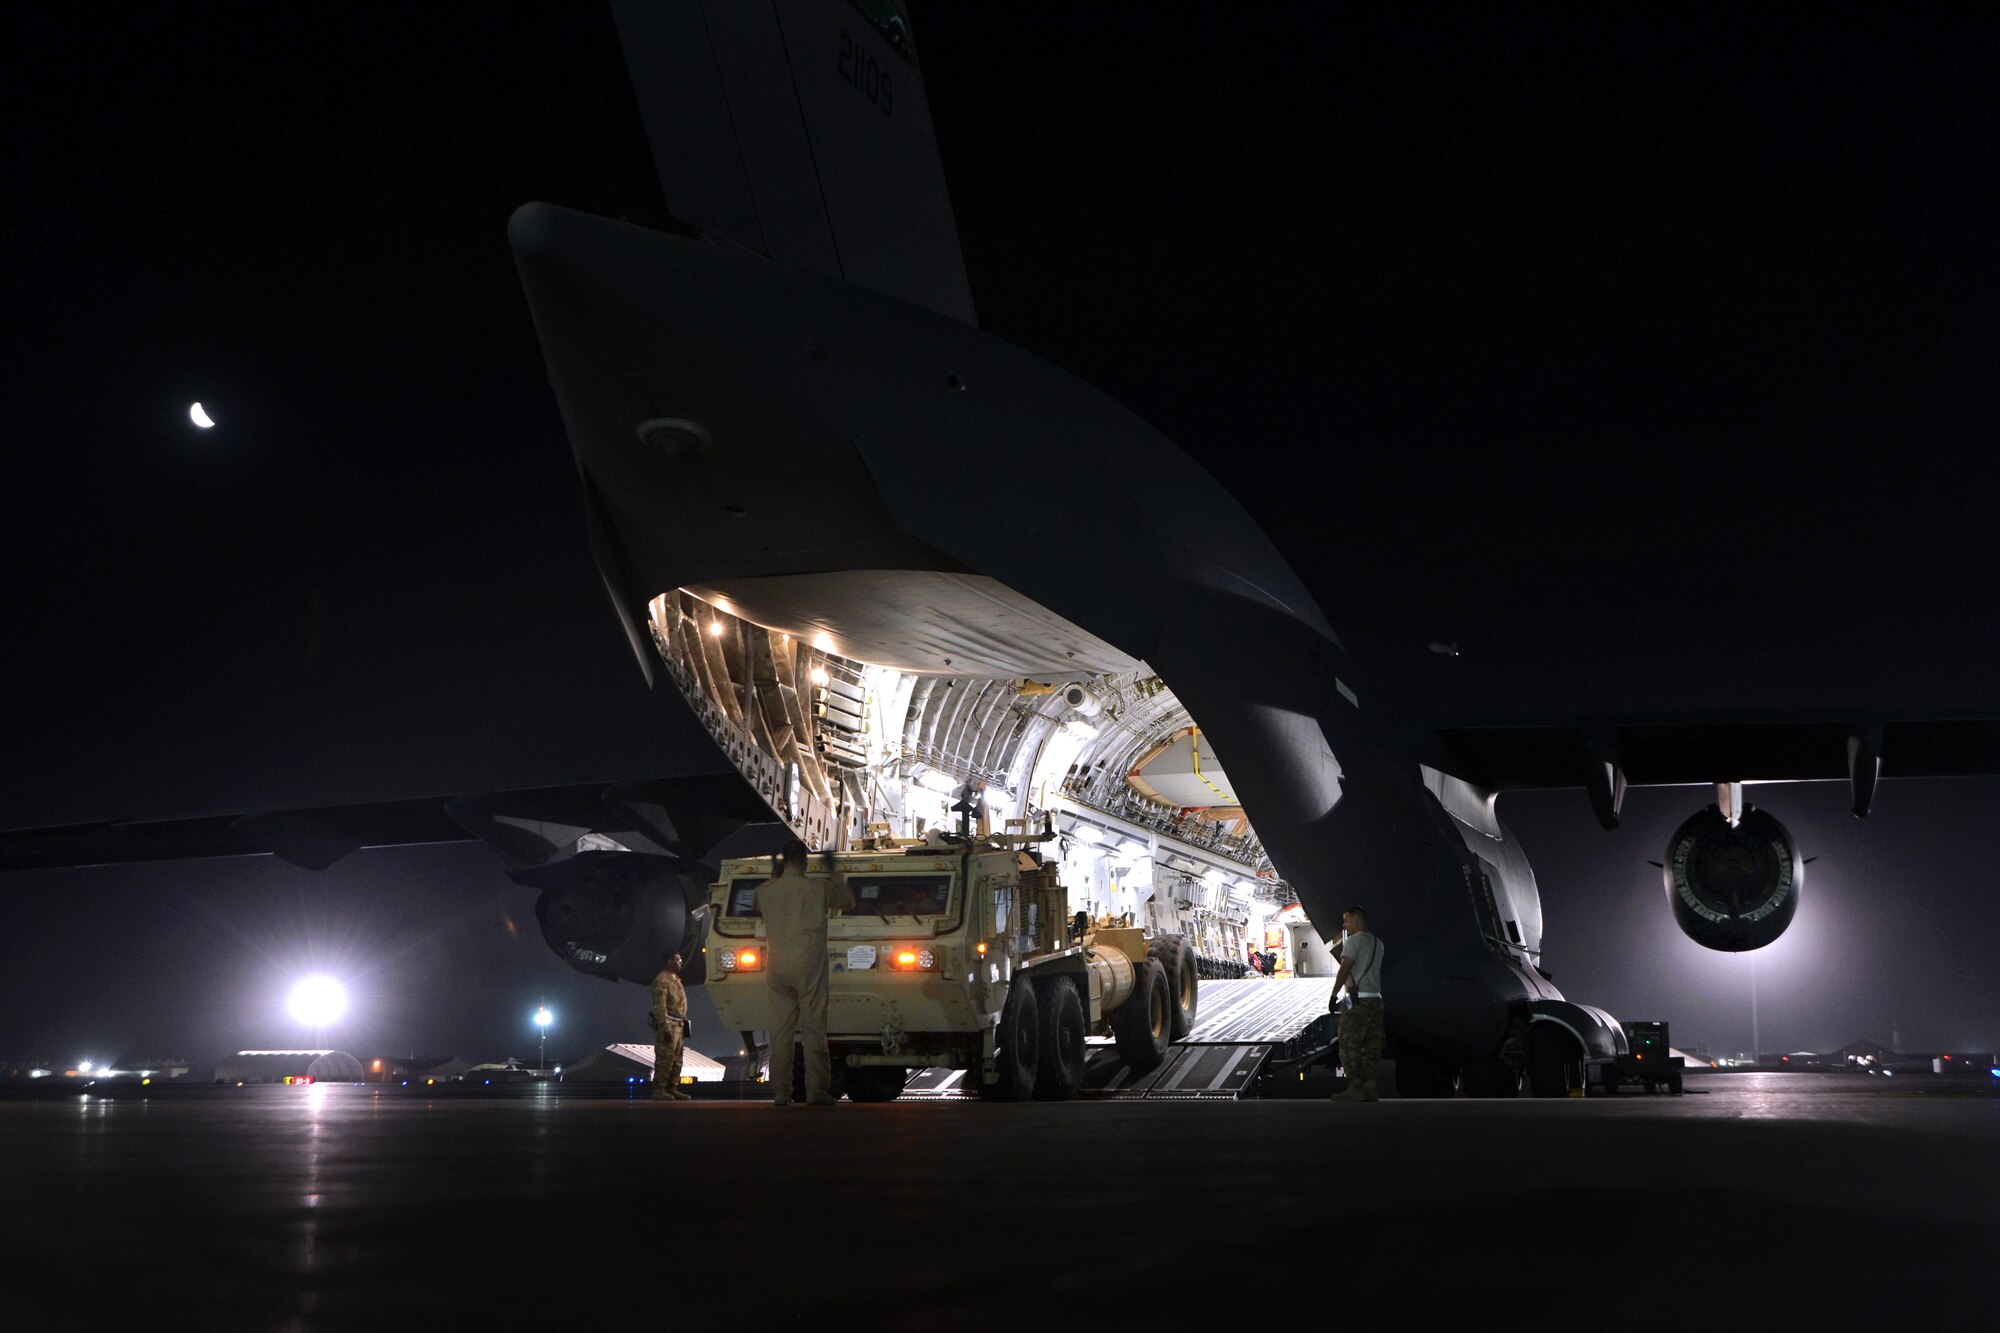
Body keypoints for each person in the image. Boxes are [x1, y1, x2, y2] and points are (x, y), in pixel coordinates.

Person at [752, 839, 855, 1106]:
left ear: (784, 860)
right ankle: (816, 1091)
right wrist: (834, 874)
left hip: (776, 967)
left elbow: (756, 902)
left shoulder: (766, 891)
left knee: (780, 1033)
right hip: (808, 965)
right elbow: (848, 901)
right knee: (813, 1030)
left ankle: (780, 1093)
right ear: (805, 861)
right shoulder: (818, 888)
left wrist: (775, 877)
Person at [1332, 906, 1385, 1102]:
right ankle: (1370, 1085)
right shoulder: (1378, 943)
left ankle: (1355, 1086)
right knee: (1372, 1044)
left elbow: (1345, 968)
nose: (1345, 925)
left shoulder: (1353, 942)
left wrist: (1333, 994)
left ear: (1356, 920)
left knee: (1348, 1042)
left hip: (1358, 999)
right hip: (1375, 999)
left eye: (1346, 921)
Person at [649, 950, 691, 1100]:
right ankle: (659, 1089)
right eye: (677, 960)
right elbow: (660, 1005)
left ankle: (672, 1088)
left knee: (677, 1060)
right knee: (665, 1058)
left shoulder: (676, 979)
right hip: (669, 1023)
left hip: (679, 1024)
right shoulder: (662, 980)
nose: (680, 962)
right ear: (669, 961)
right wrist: (664, 1024)